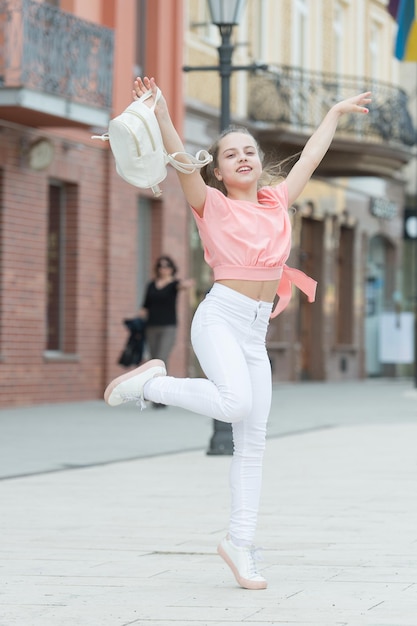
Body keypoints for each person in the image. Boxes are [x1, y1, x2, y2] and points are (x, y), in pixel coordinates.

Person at [104, 76, 371, 590]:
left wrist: (334, 114)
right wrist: (161, 114)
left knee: (253, 442)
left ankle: (240, 544)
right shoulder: (209, 203)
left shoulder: (276, 201)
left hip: (254, 332)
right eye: (231, 155)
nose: (243, 158)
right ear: (220, 170)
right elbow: (182, 156)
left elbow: (310, 158)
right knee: (234, 404)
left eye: (250, 151)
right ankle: (150, 384)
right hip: (220, 318)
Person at [138, 255, 194, 407]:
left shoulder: (174, 284)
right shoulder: (151, 284)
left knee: (161, 359)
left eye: (167, 266)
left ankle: (161, 397)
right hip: (151, 326)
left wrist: (188, 284)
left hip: (168, 326)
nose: (164, 269)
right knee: (153, 359)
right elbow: (145, 305)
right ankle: (152, 393)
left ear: (172, 268)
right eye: (161, 266)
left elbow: (183, 285)